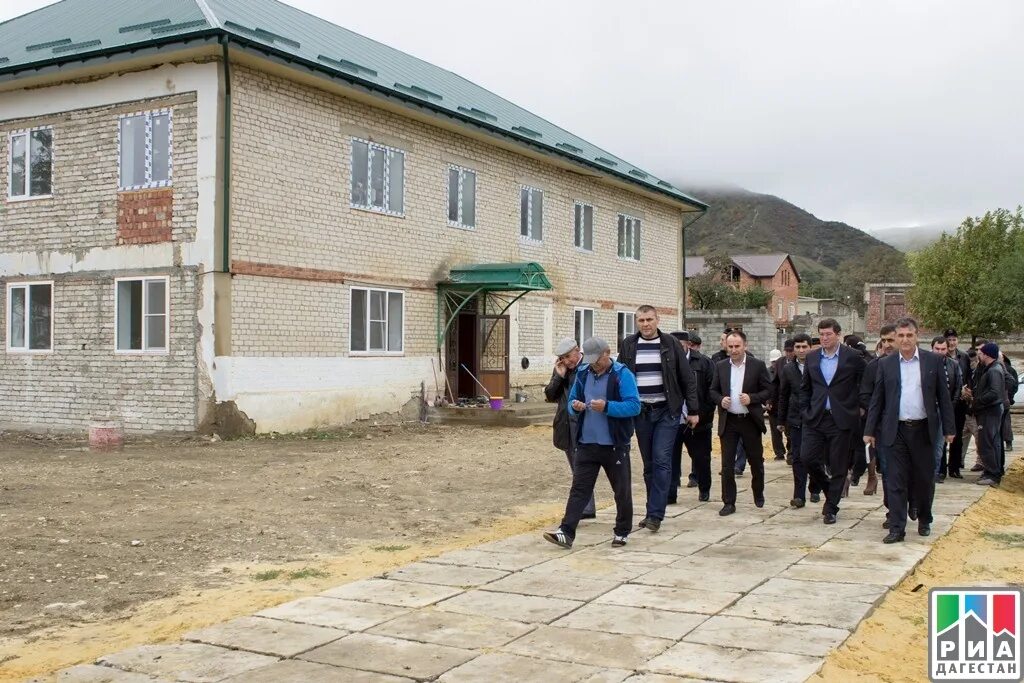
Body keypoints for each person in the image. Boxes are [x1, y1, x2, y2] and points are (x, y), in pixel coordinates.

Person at [543, 337, 640, 549]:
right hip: (586, 443)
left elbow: (634, 406)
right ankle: (566, 532)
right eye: (591, 360)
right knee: (579, 489)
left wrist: (607, 407)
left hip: (614, 445)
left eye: (598, 359)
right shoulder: (583, 374)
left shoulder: (622, 375)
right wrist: (575, 406)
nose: (595, 364)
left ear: (608, 352)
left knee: (621, 490)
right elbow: (570, 402)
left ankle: (622, 532)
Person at [865, 318, 954, 543]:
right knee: (895, 480)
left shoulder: (932, 361)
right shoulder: (886, 364)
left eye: (909, 335)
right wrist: (869, 430)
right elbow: (878, 399)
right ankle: (897, 527)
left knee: (924, 478)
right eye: (901, 336)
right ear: (895, 337)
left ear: (917, 336)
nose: (905, 340)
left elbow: (943, 397)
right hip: (895, 431)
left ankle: (924, 518)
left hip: (924, 429)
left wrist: (949, 428)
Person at [618, 306, 699, 533]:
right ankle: (650, 510)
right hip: (641, 412)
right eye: (641, 320)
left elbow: (687, 379)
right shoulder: (628, 345)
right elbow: (620, 377)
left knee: (662, 460)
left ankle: (655, 514)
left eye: (649, 319)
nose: (646, 324)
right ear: (637, 322)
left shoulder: (671, 344)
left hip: (667, 410)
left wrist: (692, 410)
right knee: (649, 465)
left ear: (657, 320)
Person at [800, 318, 866, 525]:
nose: (825, 338)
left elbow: (865, 382)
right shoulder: (812, 358)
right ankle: (829, 489)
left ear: (838, 334)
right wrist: (805, 410)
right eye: (821, 334)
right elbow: (806, 388)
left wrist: (860, 407)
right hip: (816, 417)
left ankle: (831, 508)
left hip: (842, 418)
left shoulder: (853, 357)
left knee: (838, 465)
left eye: (828, 334)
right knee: (807, 458)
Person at [709, 329, 773, 516]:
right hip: (729, 421)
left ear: (745, 346)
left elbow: (768, 390)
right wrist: (720, 400)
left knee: (755, 461)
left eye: (737, 346)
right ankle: (728, 502)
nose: (734, 350)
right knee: (727, 464)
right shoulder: (720, 366)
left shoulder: (757, 365)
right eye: (731, 346)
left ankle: (758, 491)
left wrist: (752, 398)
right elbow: (712, 390)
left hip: (750, 420)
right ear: (725, 347)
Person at [544, 337, 595, 518]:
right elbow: (550, 396)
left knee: (585, 467)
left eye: (568, 356)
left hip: (586, 424)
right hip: (566, 425)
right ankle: (586, 507)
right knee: (577, 467)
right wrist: (559, 376)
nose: (567, 361)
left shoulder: (590, 366)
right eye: (562, 358)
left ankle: (586, 507)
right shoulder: (562, 370)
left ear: (577, 350)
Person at [669, 332, 715, 504]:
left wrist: (702, 413)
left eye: (679, 345)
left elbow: (712, 390)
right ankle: (670, 493)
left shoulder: (703, 363)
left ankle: (704, 488)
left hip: (698, 421)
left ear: (687, 344)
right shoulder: (666, 362)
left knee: (701, 457)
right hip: (672, 419)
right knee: (670, 459)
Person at [777, 333, 818, 507]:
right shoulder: (788, 369)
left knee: (814, 457)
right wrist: (781, 420)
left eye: (804, 347)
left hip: (815, 418)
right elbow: (783, 395)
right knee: (798, 458)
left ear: (810, 347)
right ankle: (799, 495)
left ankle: (815, 488)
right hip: (795, 419)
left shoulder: (818, 366)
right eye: (798, 347)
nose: (801, 350)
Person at [860, 325, 896, 501]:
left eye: (891, 340)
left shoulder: (919, 364)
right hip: (884, 425)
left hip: (912, 425)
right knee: (888, 469)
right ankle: (892, 511)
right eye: (884, 341)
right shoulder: (874, 366)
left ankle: (912, 503)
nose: (887, 344)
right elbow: (866, 396)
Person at [971, 343, 1006, 486]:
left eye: (981, 352)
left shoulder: (994, 371)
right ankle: (990, 471)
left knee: (987, 443)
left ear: (986, 354)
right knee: (988, 442)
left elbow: (994, 393)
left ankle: (992, 474)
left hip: (990, 412)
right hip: (989, 411)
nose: (978, 354)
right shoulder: (991, 369)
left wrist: (976, 400)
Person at [930, 336, 962, 484]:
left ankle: (936, 472)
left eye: (943, 349)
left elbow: (957, 388)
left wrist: (950, 406)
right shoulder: (925, 364)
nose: (940, 352)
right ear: (932, 348)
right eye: (937, 349)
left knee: (939, 444)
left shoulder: (953, 365)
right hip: (929, 409)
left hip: (944, 408)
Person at [944, 328, 972, 477]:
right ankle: (941, 468)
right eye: (949, 340)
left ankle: (954, 467)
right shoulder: (941, 355)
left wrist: (968, 391)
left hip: (960, 402)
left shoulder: (964, 356)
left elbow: (968, 377)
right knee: (942, 436)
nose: (952, 342)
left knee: (958, 436)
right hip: (946, 401)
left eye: (954, 339)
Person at [767, 349, 787, 461]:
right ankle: (779, 452)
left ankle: (791, 452)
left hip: (784, 405)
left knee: (788, 431)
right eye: (773, 362)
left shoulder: (786, 370)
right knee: (775, 432)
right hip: (773, 407)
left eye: (776, 361)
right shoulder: (766, 372)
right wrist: (767, 402)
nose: (774, 364)